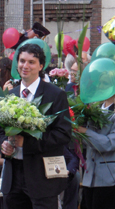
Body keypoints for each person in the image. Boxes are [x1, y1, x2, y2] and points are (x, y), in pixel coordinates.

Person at [0, 43, 72, 208]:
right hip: (13, 176)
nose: (25, 66)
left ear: (41, 66)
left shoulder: (55, 94)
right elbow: (1, 130)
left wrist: (27, 144)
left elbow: (63, 134)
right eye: (22, 61)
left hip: (41, 177)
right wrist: (3, 143)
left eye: (31, 62)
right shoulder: (9, 95)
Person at [78, 77, 115, 209]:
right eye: (99, 82)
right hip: (90, 177)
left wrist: (85, 132)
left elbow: (110, 144)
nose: (100, 86)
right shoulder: (95, 109)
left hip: (110, 178)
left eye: (105, 82)